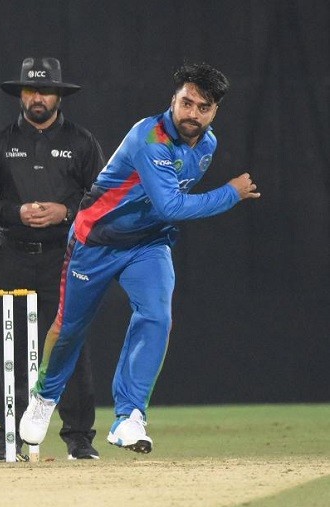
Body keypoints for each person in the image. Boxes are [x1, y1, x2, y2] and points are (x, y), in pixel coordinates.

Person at [20, 62, 261, 454]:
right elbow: (171, 205)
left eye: (203, 107)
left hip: (148, 245)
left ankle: (129, 417)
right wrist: (230, 193)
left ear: (215, 111)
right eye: (187, 103)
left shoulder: (208, 145)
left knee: (157, 316)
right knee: (71, 327)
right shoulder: (150, 138)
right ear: (173, 100)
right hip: (96, 241)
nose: (193, 113)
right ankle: (45, 398)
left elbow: (165, 207)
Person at [0, 57, 105, 461]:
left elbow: (103, 197)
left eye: (45, 90)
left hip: (66, 257)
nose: (37, 97)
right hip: (13, 255)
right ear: (21, 95)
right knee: (6, 348)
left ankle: (79, 439)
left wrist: (66, 211)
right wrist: (16, 212)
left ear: (59, 95)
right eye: (30, 90)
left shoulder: (82, 142)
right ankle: (8, 438)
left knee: (69, 343)